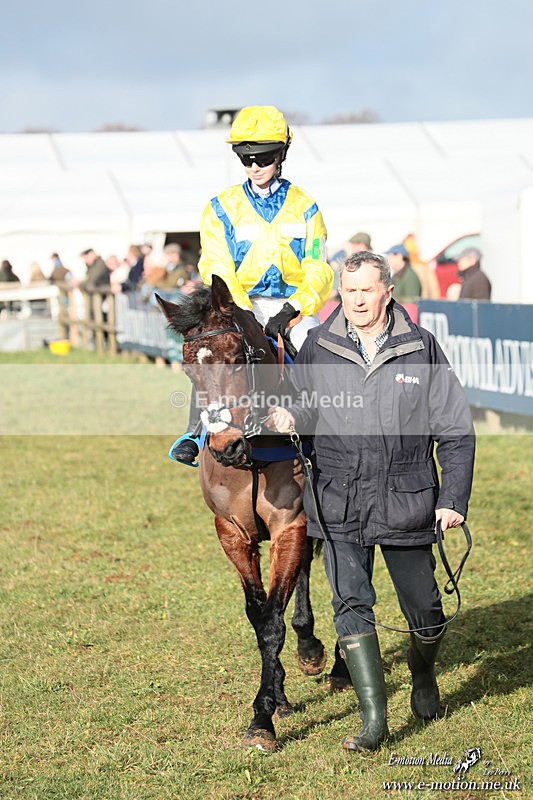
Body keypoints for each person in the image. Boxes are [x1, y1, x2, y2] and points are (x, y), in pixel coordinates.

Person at [266, 250, 475, 752]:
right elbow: (302, 402)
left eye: (366, 290)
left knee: (425, 611)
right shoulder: (319, 344)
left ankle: (423, 675)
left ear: (387, 292)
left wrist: (452, 498)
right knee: (350, 605)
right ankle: (374, 721)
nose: (357, 300)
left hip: (407, 497)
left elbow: (455, 429)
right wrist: (289, 415)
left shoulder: (420, 347)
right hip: (338, 499)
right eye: (349, 290)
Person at [169, 104, 333, 465]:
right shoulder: (220, 207)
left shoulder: (305, 206)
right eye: (247, 159)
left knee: (317, 352)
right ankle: (195, 431)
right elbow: (216, 265)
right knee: (211, 351)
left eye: (263, 158)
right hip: (239, 305)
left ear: (282, 155)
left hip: (295, 305)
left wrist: (295, 308)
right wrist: (241, 312)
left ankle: (331, 439)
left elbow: (318, 267)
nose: (255, 167)